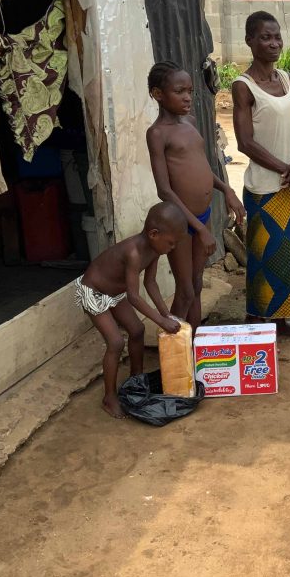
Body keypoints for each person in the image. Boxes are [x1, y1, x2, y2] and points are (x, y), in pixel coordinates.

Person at [232, 11, 290, 341]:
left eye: (277, 37)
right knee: (264, 259)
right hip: (266, 189)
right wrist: (288, 171)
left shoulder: (285, 78)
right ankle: (257, 323)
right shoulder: (243, 86)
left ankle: (282, 320)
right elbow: (245, 143)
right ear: (250, 41)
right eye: (265, 37)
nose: (273, 43)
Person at [146, 63, 245, 331]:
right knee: (186, 290)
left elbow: (202, 168)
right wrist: (199, 228)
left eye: (189, 90)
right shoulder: (157, 134)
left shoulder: (189, 122)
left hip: (202, 215)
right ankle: (175, 349)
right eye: (179, 91)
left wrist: (227, 190)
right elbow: (164, 190)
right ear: (158, 94)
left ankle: (197, 345)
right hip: (180, 224)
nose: (188, 97)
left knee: (198, 284)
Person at [74, 201, 188, 418]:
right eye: (171, 244)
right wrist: (161, 322)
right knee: (116, 342)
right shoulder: (133, 253)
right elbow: (134, 297)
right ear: (154, 234)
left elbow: (150, 284)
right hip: (94, 291)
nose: (172, 249)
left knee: (137, 331)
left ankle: (136, 379)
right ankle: (109, 397)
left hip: (116, 292)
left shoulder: (155, 251)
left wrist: (167, 314)